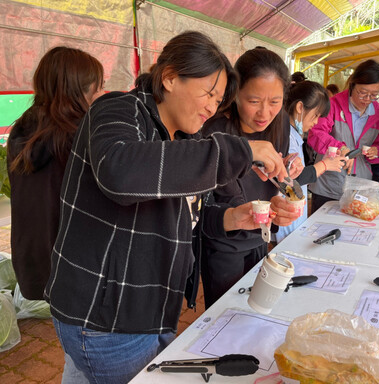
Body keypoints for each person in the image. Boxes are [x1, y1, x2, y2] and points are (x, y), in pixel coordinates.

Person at [44, 32, 288, 384]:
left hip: (149, 310)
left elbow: (188, 221)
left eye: (218, 100)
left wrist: (235, 217)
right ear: (170, 76)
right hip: (107, 319)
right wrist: (241, 150)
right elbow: (120, 171)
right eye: (208, 93)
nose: (211, 107)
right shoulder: (117, 108)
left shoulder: (183, 140)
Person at [7, 46, 104, 384]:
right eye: (95, 85)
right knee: (86, 357)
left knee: (74, 352)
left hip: (36, 259)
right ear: (78, 89)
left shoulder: (23, 130)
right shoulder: (77, 136)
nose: (99, 93)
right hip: (73, 266)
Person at [200, 48, 302, 309]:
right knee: (226, 315)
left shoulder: (279, 124)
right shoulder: (213, 134)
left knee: (257, 312)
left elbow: (277, 179)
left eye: (275, 102)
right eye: (254, 101)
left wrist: (288, 185)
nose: (264, 113)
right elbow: (203, 208)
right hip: (223, 246)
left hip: (260, 237)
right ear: (234, 94)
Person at [307, 59, 379, 213]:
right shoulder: (333, 105)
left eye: (374, 95)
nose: (367, 99)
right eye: (363, 93)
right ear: (352, 84)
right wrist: (340, 148)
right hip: (329, 185)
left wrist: (375, 151)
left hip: (360, 185)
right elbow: (315, 133)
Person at [274, 81, 345, 242]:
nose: (316, 122)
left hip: (293, 212)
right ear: (300, 107)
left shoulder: (293, 134)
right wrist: (325, 165)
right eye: (316, 115)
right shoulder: (286, 136)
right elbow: (291, 180)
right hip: (286, 215)